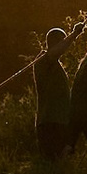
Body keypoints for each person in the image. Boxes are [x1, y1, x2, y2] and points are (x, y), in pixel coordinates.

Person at [30, 25, 74, 162]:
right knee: (51, 161)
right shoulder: (43, 61)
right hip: (49, 122)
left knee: (60, 161)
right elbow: (55, 52)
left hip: (59, 121)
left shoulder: (55, 63)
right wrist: (75, 34)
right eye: (62, 41)